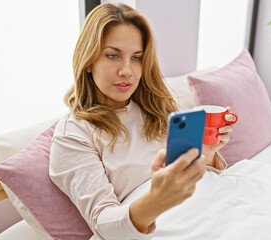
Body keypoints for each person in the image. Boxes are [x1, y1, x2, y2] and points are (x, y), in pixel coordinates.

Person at [49, 3, 235, 240]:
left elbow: (190, 180)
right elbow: (104, 223)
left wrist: (206, 152)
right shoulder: (73, 135)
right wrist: (155, 201)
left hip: (209, 207)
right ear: (88, 61)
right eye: (113, 55)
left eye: (136, 58)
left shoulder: (154, 106)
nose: (127, 70)